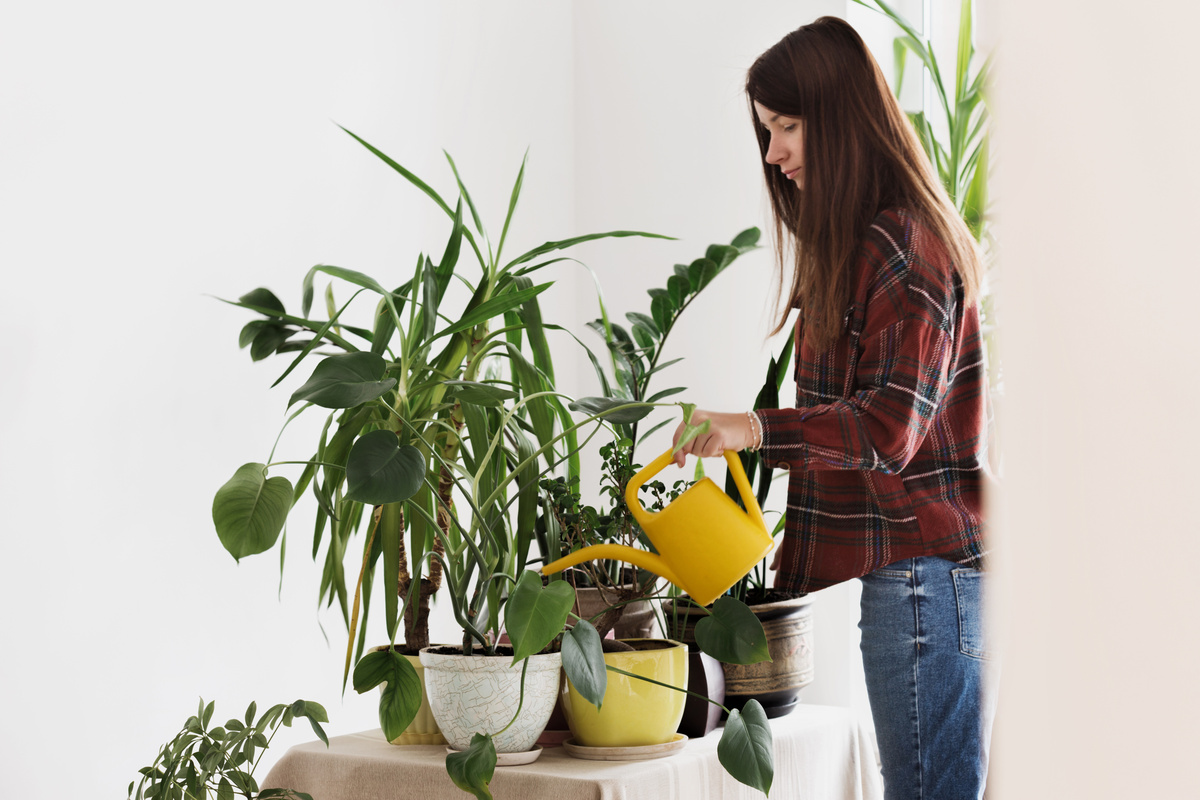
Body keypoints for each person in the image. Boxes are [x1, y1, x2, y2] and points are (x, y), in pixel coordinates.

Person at [670, 16, 996, 800]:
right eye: (767, 130)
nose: (774, 153)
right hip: (921, 583)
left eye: (787, 126)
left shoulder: (905, 247)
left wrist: (753, 430)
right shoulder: (874, 244)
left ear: (843, 120)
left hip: (925, 583)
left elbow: (889, 428)